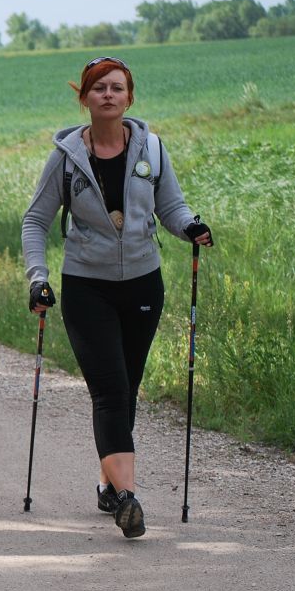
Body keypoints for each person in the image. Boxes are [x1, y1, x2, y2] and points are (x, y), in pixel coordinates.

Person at [21, 57, 212, 539]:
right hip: (87, 288)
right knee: (109, 390)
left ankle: (109, 486)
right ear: (84, 98)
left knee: (126, 389)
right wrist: (37, 277)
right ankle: (128, 498)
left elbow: (171, 206)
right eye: (98, 88)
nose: (108, 95)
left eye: (117, 88)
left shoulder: (153, 149)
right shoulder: (66, 158)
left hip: (144, 284)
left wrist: (190, 227)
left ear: (130, 98)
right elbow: (35, 221)